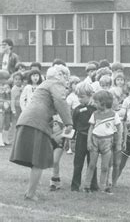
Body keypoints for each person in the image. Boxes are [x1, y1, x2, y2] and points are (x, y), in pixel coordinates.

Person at [9, 65, 73, 201]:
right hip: (37, 123)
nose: (66, 79)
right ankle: (30, 194)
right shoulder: (55, 84)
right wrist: (69, 123)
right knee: (38, 160)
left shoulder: (44, 84)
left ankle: (30, 192)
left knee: (36, 160)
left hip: (27, 120)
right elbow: (60, 102)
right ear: (59, 75)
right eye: (65, 75)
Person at [83, 90, 122, 194]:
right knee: (92, 164)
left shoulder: (114, 114)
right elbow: (91, 128)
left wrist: (119, 143)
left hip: (107, 142)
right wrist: (89, 141)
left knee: (105, 167)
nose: (94, 103)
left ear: (103, 103)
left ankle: (104, 187)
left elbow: (119, 128)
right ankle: (87, 186)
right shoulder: (95, 114)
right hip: (95, 140)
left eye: (96, 102)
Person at [70, 82, 98, 192]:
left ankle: (93, 185)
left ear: (90, 95)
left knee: (92, 163)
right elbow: (74, 125)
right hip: (81, 138)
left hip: (93, 139)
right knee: (78, 162)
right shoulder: (77, 109)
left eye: (82, 97)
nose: (80, 99)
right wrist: (72, 139)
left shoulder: (96, 109)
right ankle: (75, 186)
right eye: (78, 97)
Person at [9, 71, 23, 143]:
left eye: (19, 79)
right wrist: (13, 110)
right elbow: (12, 100)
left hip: (22, 108)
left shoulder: (23, 88)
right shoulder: (13, 89)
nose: (18, 81)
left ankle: (20, 138)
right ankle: (14, 139)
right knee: (15, 124)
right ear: (13, 80)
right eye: (16, 79)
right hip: (16, 108)